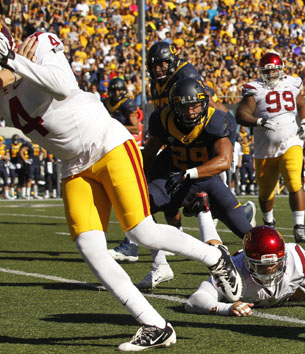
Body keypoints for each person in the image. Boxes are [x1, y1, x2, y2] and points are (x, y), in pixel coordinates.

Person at [0, 29, 242, 351]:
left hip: (106, 142)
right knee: (90, 247)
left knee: (141, 231)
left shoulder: (38, 45)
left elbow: (63, 86)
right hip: (73, 165)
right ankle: (154, 323)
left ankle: (215, 257)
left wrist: (13, 61)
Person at [108, 41, 230, 261]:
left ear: (173, 60)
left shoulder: (186, 76)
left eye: (162, 64)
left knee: (201, 198)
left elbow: (206, 109)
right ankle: (177, 239)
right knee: (160, 193)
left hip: (196, 143)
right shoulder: (157, 83)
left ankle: (133, 244)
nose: (157, 70)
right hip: (175, 141)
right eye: (154, 66)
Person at [136, 78, 256, 289]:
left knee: (249, 235)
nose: (192, 111)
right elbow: (149, 153)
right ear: (174, 106)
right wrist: (144, 179)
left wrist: (189, 173)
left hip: (205, 180)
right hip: (172, 180)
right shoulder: (163, 119)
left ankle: (275, 271)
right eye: (185, 106)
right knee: (139, 208)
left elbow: (224, 161)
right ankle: (160, 263)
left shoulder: (215, 120)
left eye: (196, 105)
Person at [185, 226, 305, 316]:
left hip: (295, 292)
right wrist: (226, 308)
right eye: (261, 266)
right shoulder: (233, 270)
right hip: (286, 295)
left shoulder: (295, 263)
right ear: (246, 261)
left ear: (284, 258)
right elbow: (195, 301)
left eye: (274, 264)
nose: (269, 270)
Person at [235, 51, 305, 243]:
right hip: (264, 148)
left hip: (291, 141)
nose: (271, 75)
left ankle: (299, 226)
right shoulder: (254, 88)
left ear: (281, 69)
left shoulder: (292, 83)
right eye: (267, 71)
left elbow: (302, 105)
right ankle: (269, 222)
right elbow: (241, 114)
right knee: (266, 191)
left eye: (274, 70)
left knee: (294, 181)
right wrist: (259, 121)